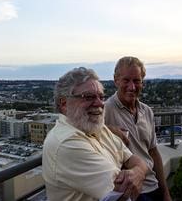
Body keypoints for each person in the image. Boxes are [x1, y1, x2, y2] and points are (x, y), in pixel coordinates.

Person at [42, 67, 148, 201]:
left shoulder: (97, 128)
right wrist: (139, 172)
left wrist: (138, 171)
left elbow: (132, 159)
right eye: (88, 97)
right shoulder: (66, 143)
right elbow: (125, 192)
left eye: (101, 96)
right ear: (64, 104)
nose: (100, 103)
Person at [104, 56, 171, 201]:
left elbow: (153, 152)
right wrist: (107, 129)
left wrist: (165, 192)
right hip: (130, 192)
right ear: (116, 80)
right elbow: (86, 134)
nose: (132, 87)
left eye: (136, 81)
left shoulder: (147, 111)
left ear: (142, 82)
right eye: (126, 80)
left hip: (153, 187)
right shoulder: (105, 110)